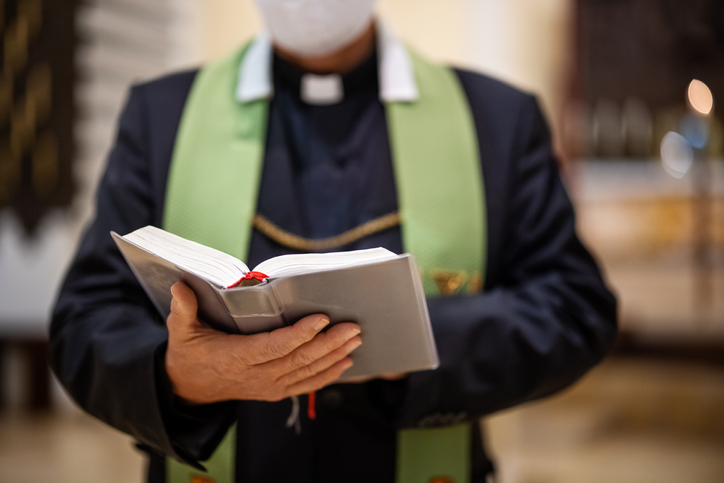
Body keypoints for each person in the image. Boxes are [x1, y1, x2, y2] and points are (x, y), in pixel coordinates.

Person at [50, 1, 617, 482]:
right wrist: (177, 376)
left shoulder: (495, 119)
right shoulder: (162, 117)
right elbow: (86, 318)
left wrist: (414, 342)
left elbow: (575, 306)